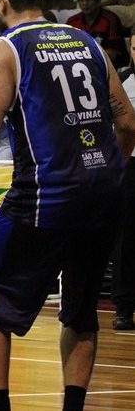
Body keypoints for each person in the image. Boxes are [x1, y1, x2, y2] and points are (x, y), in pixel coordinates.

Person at [0, 0, 135, 411]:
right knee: (81, 310)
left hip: (45, 195)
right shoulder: (88, 42)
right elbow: (126, 120)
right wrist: (109, 173)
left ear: (0, 1)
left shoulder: (6, 47)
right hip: (105, 191)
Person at [111, 32, 135, 330]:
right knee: (127, 238)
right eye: (134, 47)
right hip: (131, 166)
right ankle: (124, 307)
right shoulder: (124, 85)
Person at [67, 0, 127, 67]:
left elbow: (113, 54)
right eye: (82, 0)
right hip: (81, 66)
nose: (85, 3)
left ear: (98, 1)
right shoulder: (72, 22)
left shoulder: (110, 19)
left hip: (109, 66)